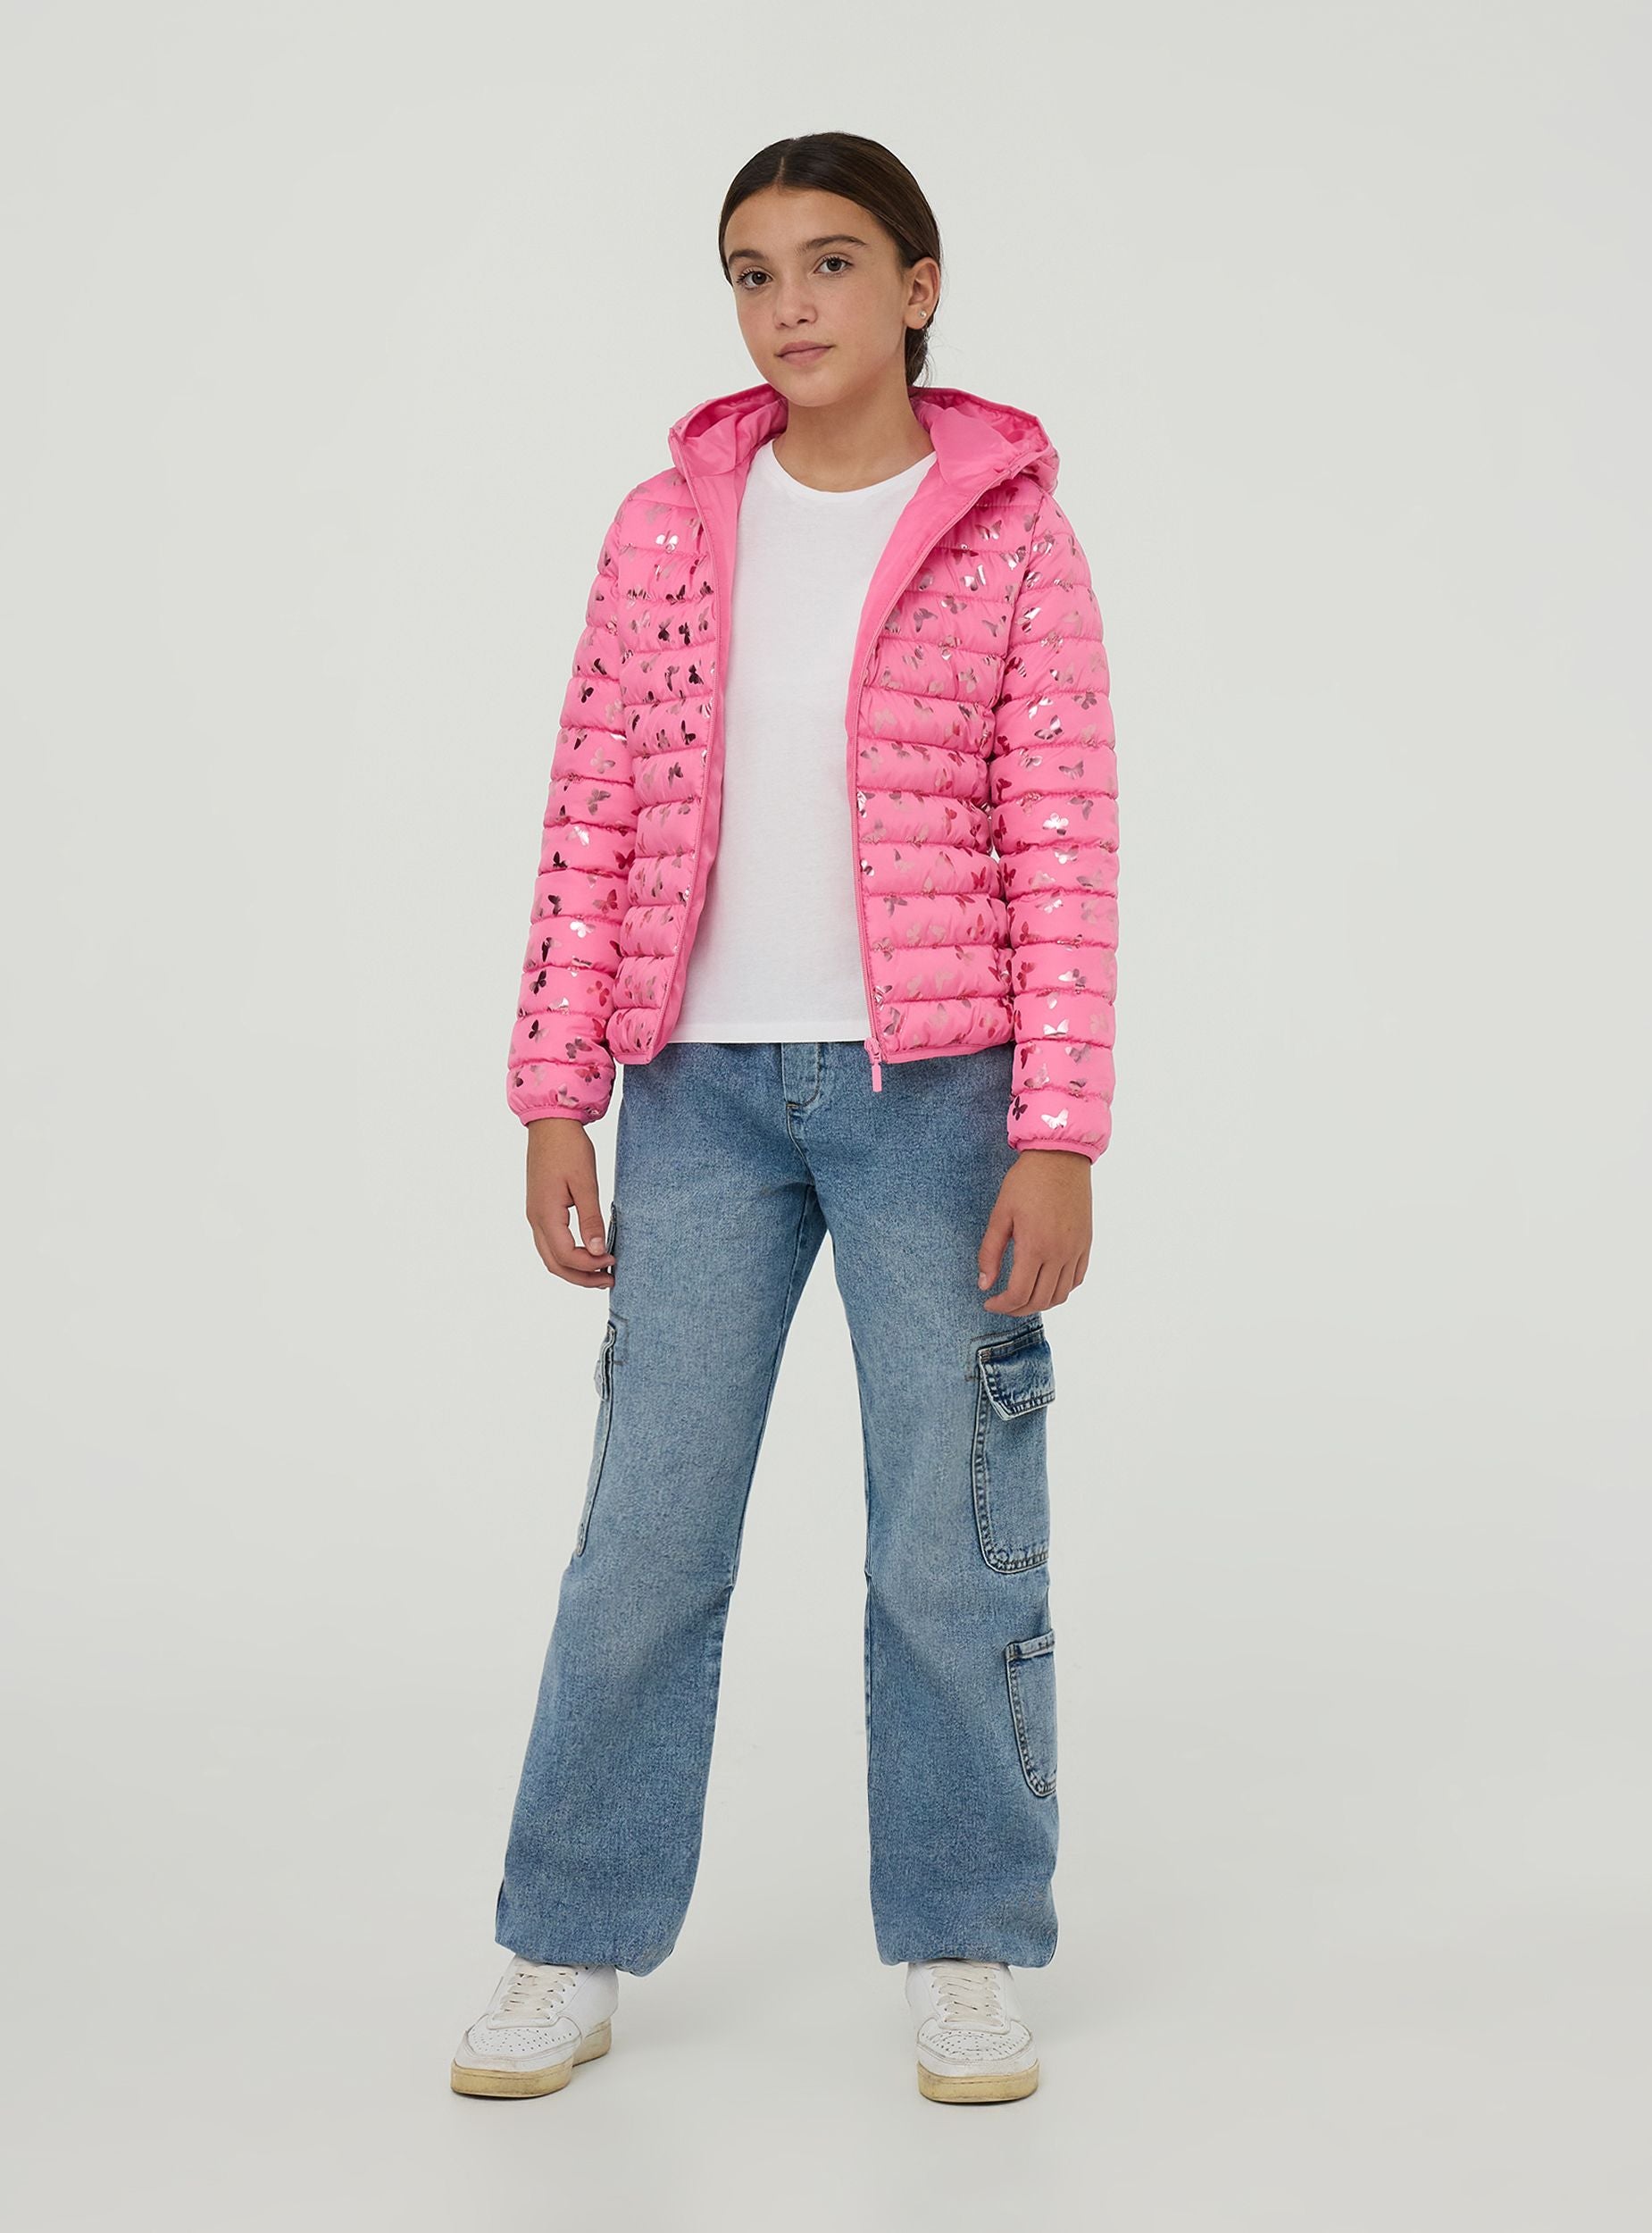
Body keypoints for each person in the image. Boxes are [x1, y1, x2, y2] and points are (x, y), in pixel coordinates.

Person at [451, 130, 1119, 2107]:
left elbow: (1061, 841)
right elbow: (591, 806)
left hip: (939, 1102)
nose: (788, 305)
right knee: (644, 1539)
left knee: (949, 1544)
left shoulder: (1010, 535)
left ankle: (967, 1939)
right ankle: (566, 1939)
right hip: (696, 1096)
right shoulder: (669, 526)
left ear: (918, 285)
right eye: (752, 272)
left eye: (830, 263)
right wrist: (554, 1092)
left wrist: (1058, 1128)